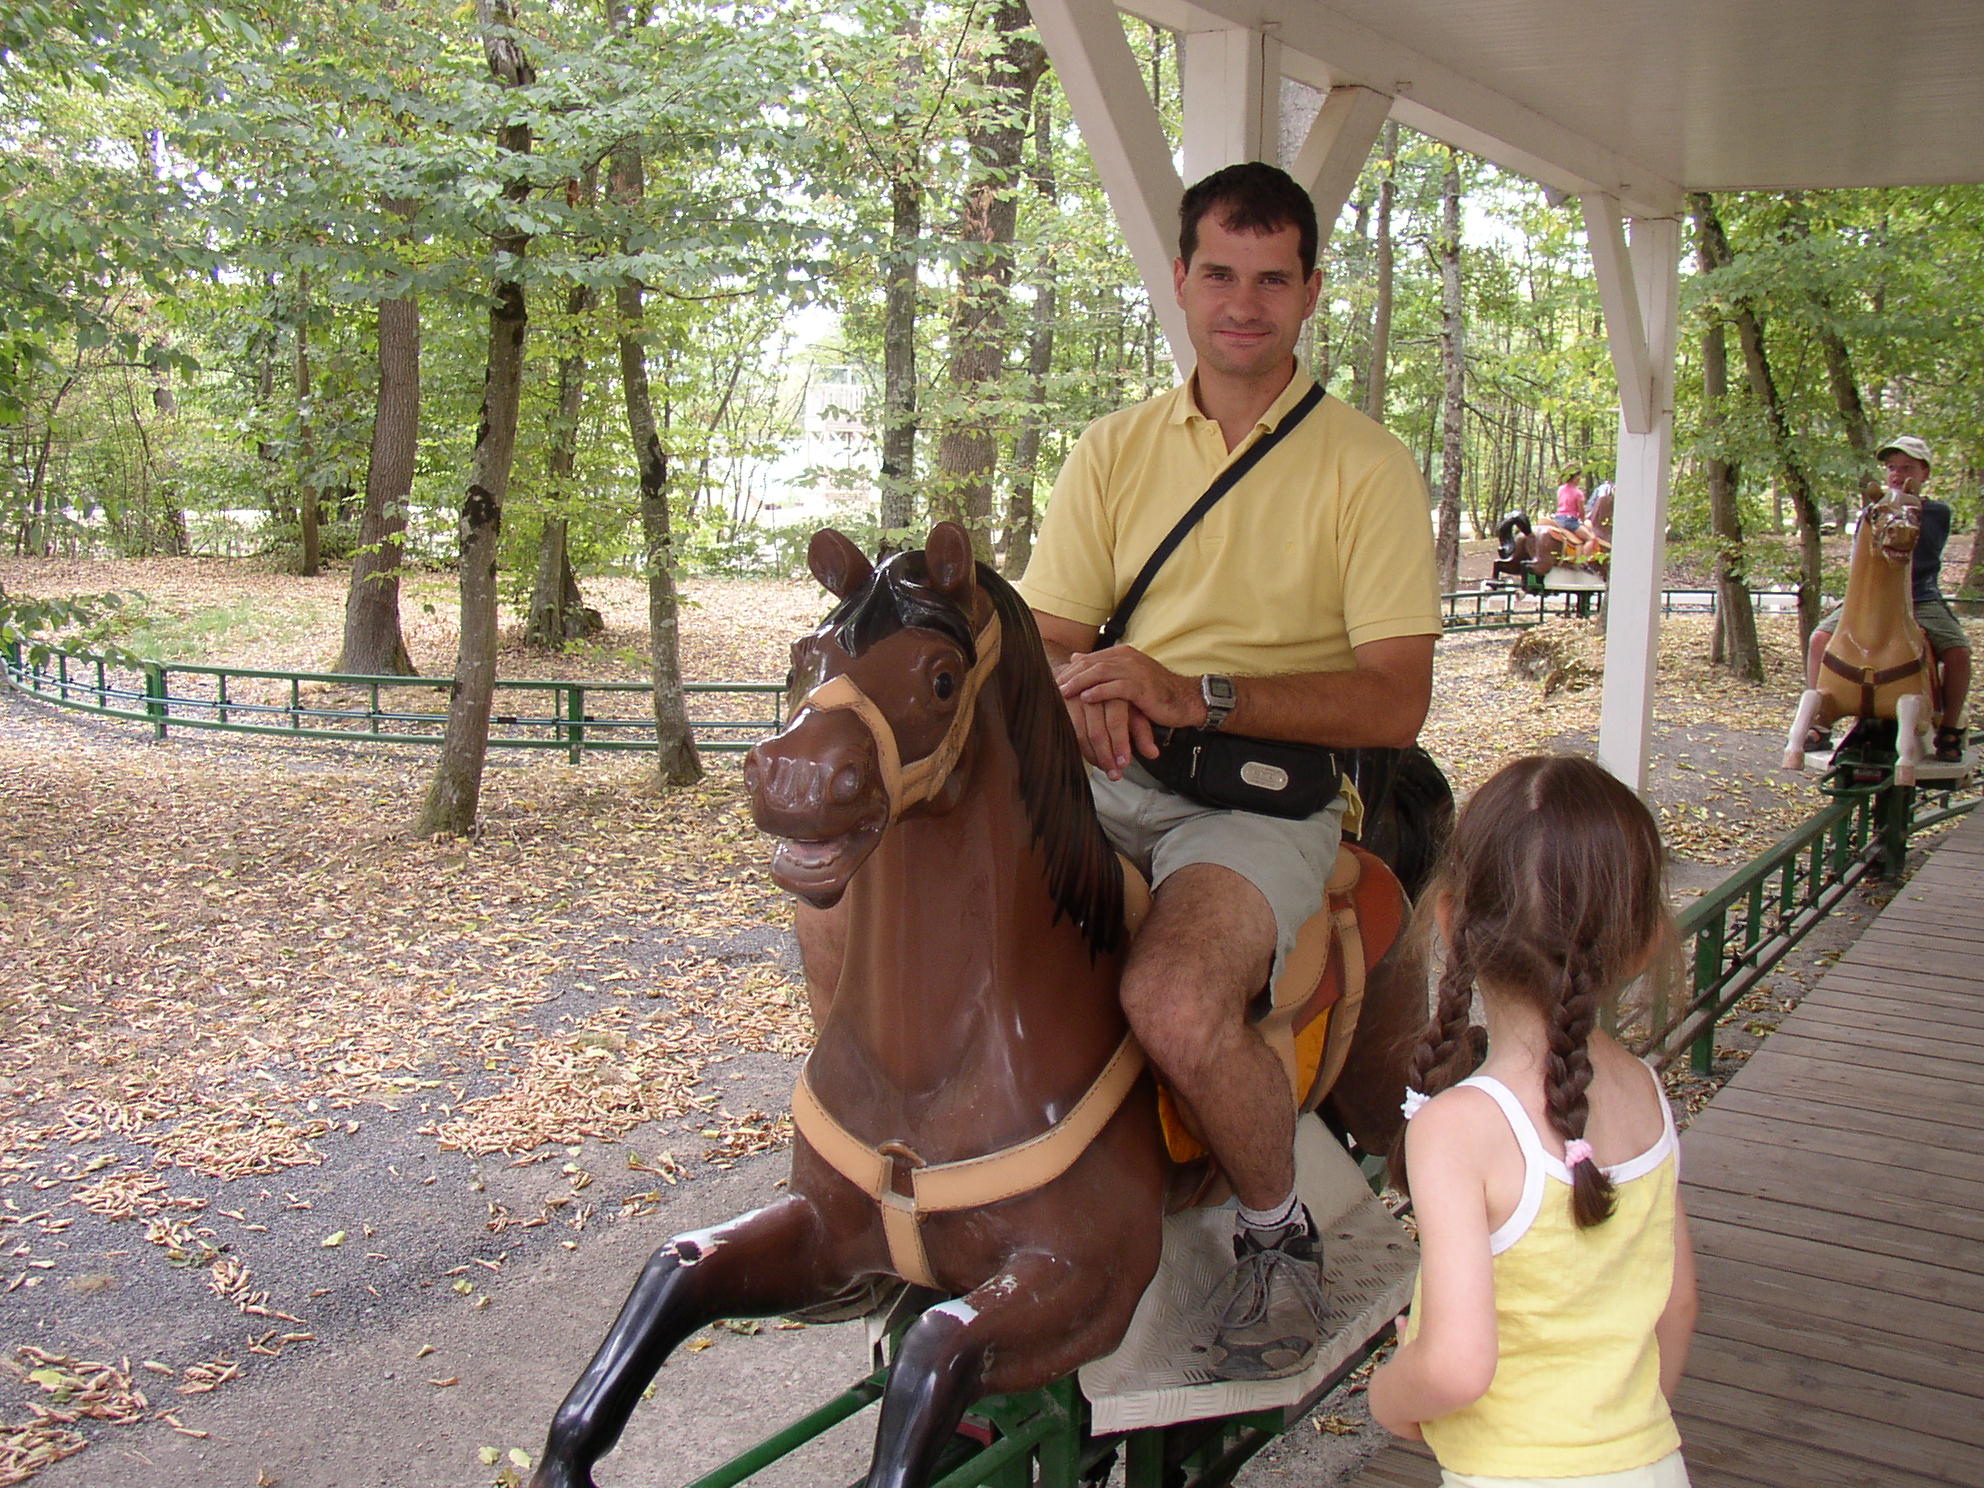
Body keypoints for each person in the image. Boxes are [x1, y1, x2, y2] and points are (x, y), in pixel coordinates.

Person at [1016, 161, 1440, 1381]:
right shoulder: (1113, 449)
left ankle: (1276, 1233)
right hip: (1108, 772)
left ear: (1309, 292)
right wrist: (1083, 695)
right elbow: (1046, 637)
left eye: (1270, 279)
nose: (1242, 304)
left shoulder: (1365, 466)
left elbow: (1395, 698)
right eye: (1219, 274)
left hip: (1264, 799)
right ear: (1181, 280)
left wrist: (1192, 690)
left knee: (1173, 998)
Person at [1367, 754, 1698, 1486]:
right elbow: (1677, 1303)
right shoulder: (1644, 1090)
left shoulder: (1458, 1129)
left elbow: (1455, 1367)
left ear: (1449, 920)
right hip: (1651, 1463)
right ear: (1643, 942)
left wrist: (1389, 1395)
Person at [1802, 435, 1971, 763]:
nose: (1897, 474)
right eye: (1892, 468)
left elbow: (1918, 548)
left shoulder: (1934, 512)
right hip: (1874, 599)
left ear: (1924, 473)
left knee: (1958, 652)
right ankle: (1821, 717)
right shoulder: (1872, 511)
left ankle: (1950, 726)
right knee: (1820, 638)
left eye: (1907, 468)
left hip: (1918, 597)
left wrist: (1904, 508)